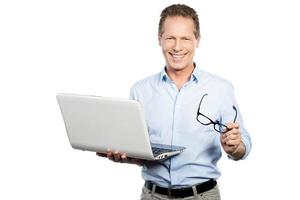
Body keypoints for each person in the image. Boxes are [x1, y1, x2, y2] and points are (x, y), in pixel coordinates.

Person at [97, 4, 251, 200]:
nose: (177, 47)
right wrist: (125, 156)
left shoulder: (221, 89)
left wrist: (235, 146)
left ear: (197, 40)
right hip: (153, 195)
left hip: (202, 195)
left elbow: (243, 147)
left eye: (185, 38)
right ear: (159, 39)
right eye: (170, 38)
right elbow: (141, 152)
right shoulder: (140, 90)